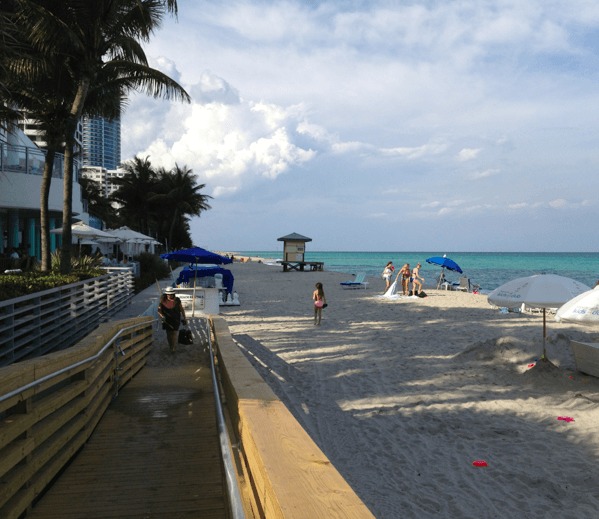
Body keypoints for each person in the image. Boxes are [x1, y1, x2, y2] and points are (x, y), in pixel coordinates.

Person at [157, 286, 187, 352]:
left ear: (173, 294)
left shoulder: (177, 300)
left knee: (174, 333)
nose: (170, 295)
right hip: (167, 320)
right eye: (168, 294)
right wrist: (162, 316)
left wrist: (184, 318)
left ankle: (173, 347)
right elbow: (159, 310)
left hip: (176, 319)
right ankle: (170, 345)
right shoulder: (162, 300)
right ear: (166, 294)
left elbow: (181, 309)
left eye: (171, 294)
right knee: (168, 334)